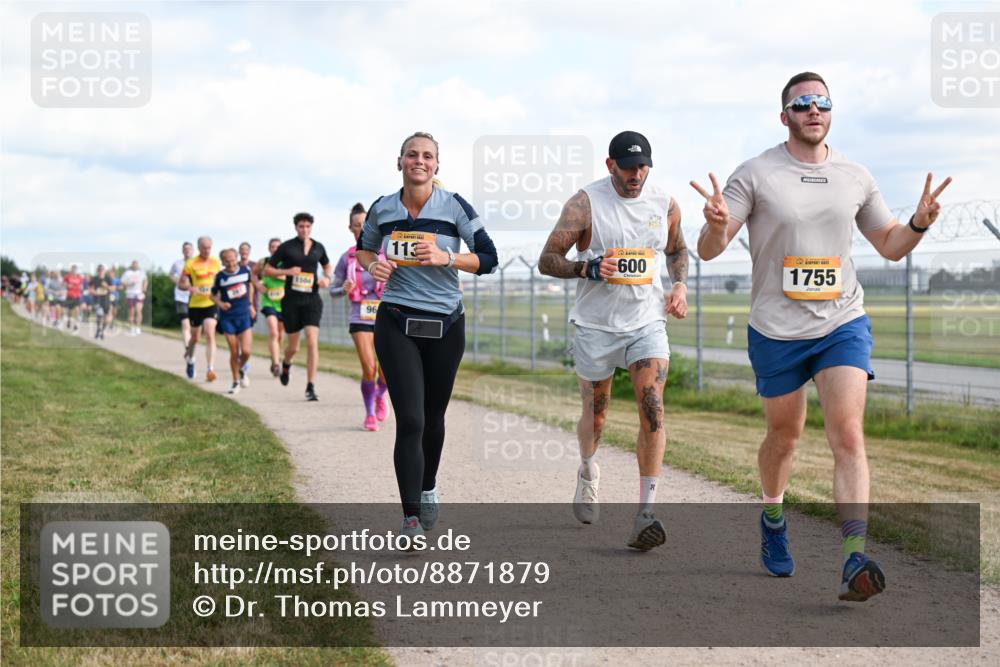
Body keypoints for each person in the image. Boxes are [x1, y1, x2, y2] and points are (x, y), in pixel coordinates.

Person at [692, 71, 952, 601]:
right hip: (775, 329)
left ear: (831, 113)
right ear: (784, 115)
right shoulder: (757, 173)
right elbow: (709, 250)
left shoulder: (854, 175)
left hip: (841, 322)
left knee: (848, 434)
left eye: (822, 102)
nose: (814, 109)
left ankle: (854, 558)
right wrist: (717, 222)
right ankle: (771, 514)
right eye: (802, 103)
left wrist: (919, 224)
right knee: (785, 437)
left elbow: (889, 245)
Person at [538, 130, 688, 551]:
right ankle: (588, 471)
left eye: (643, 166)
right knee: (597, 415)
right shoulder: (585, 203)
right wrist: (586, 269)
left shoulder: (665, 202)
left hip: (645, 322)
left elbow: (677, 251)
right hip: (595, 325)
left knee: (652, 407)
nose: (636, 174)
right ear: (610, 166)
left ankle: (646, 514)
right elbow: (548, 259)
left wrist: (679, 287)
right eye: (627, 167)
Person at [357, 131, 499, 537]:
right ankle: (411, 517)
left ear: (437, 165)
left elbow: (489, 258)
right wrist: (372, 266)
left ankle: (428, 486)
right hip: (396, 319)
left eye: (428, 156)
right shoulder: (382, 209)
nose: (419, 161)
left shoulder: (454, 206)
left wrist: (447, 257)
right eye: (412, 155)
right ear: (399, 161)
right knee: (412, 420)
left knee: (434, 418)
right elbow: (365, 249)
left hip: (446, 324)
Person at [331, 202, 390, 431]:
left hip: (385, 316)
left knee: (386, 369)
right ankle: (369, 413)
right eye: (357, 225)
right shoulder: (347, 258)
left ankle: (380, 395)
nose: (361, 228)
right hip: (359, 317)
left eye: (365, 224)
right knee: (369, 367)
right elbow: (334, 289)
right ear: (351, 229)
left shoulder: (386, 253)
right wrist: (342, 288)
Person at [264, 213, 332, 401]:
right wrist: (286, 271)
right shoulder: (287, 247)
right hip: (291, 302)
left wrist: (326, 278)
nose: (304, 229)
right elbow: (267, 270)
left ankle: (310, 386)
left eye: (308, 226)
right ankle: (286, 363)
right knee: (293, 347)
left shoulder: (318, 247)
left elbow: (327, 266)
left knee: (312, 341)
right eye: (301, 226)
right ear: (296, 227)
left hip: (312, 300)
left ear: (312, 227)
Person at [211, 248, 256, 394]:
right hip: (228, 317)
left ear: (236, 258)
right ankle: (236, 382)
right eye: (226, 260)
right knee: (234, 351)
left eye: (232, 259)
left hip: (243, 315)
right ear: (222, 261)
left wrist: (251, 304)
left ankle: (241, 369)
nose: (230, 263)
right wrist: (221, 304)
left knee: (247, 351)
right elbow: (212, 296)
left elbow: (250, 285)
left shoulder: (245, 271)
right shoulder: (219, 277)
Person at [180, 236, 221, 382]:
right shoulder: (191, 263)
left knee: (210, 333)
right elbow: (181, 284)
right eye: (204, 248)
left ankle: (210, 369)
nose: (207, 250)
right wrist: (191, 287)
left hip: (211, 303)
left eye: (209, 247)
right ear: (199, 248)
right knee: (195, 337)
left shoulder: (216, 262)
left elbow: (220, 280)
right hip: (196, 305)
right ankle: (190, 359)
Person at [255, 237, 286, 377]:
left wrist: (280, 275)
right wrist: (258, 285)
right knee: (273, 332)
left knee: (280, 335)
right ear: (269, 248)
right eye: (272, 246)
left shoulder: (287, 262)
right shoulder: (264, 262)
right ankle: (275, 364)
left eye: (277, 247)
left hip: (284, 302)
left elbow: (294, 276)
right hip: (269, 301)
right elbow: (253, 275)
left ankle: (276, 355)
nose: (275, 249)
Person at [170, 242, 195, 357]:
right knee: (185, 324)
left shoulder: (197, 263)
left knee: (195, 326)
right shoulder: (177, 263)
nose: (187, 251)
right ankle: (188, 348)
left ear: (193, 250)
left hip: (195, 297)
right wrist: (178, 282)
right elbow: (171, 274)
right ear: (182, 251)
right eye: (185, 249)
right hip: (180, 296)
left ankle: (191, 347)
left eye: (189, 249)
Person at [120, 260, 148, 335]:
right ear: (132, 265)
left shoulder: (142, 273)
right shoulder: (127, 273)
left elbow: (145, 280)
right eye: (134, 264)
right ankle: (132, 328)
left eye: (137, 264)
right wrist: (129, 284)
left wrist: (144, 288)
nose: (135, 265)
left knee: (139, 311)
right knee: (131, 312)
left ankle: (138, 327)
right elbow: (122, 282)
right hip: (130, 294)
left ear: (138, 265)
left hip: (139, 294)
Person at [90, 264, 113, 339]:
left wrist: (106, 286)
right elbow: (90, 287)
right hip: (98, 298)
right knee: (99, 315)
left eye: (102, 270)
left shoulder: (108, 278)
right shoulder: (94, 278)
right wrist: (92, 291)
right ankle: (98, 329)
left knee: (106, 316)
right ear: (97, 271)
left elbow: (112, 288)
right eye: (99, 270)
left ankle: (102, 331)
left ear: (104, 271)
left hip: (106, 299)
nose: (100, 271)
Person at [63, 265, 84, 332]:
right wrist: (67, 285)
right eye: (73, 269)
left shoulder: (79, 277)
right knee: (69, 311)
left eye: (75, 269)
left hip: (77, 296)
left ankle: (76, 324)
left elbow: (81, 285)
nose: (74, 270)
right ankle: (69, 320)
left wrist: (81, 288)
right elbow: (63, 284)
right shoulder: (68, 276)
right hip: (70, 295)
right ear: (71, 270)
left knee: (77, 310)